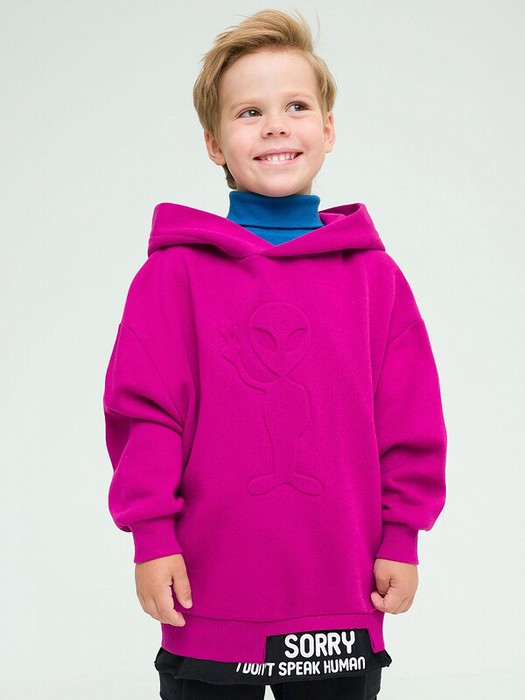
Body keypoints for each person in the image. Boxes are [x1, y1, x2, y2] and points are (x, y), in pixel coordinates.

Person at [102, 9, 447, 700]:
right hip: (207, 595)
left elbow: (409, 420)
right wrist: (152, 536)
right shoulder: (172, 277)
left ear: (328, 129)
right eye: (248, 111)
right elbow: (147, 416)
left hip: (340, 595)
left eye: (295, 106)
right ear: (214, 143)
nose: (274, 126)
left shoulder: (375, 280)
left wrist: (401, 537)